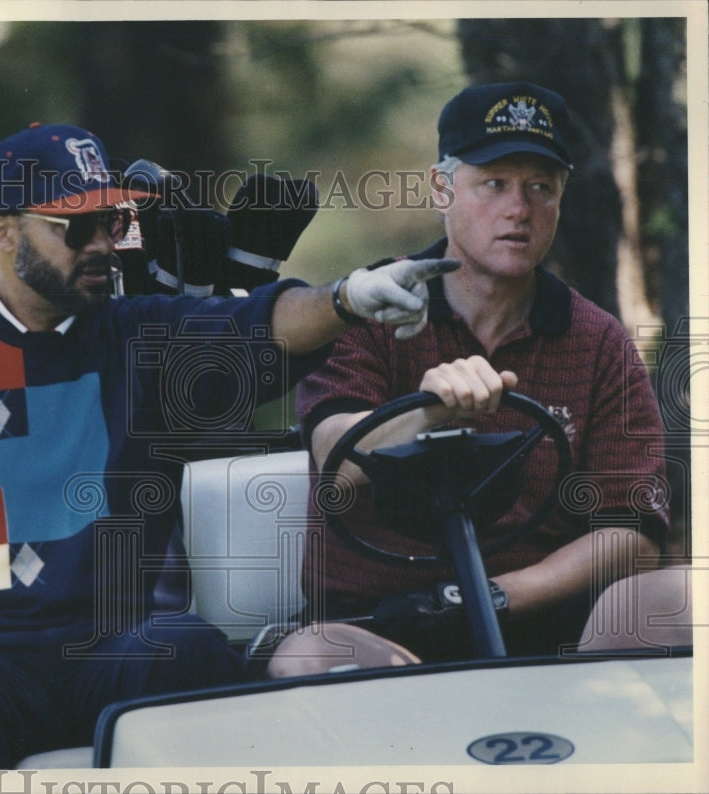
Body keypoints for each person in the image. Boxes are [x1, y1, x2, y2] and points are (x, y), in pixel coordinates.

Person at [0, 122, 458, 769]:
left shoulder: (140, 334)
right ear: (2, 233)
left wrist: (347, 298)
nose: (103, 242)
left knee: (189, 650)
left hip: (122, 652)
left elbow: (258, 323)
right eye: (77, 226)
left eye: (112, 221)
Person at [266, 82, 675, 677]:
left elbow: (631, 533)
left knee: (689, 601)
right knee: (309, 657)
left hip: (539, 614)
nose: (519, 209)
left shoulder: (598, 340)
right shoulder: (367, 308)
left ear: (561, 198)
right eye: (495, 184)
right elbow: (338, 463)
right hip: (380, 618)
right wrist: (430, 411)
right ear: (442, 189)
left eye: (541, 187)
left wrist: (497, 595)